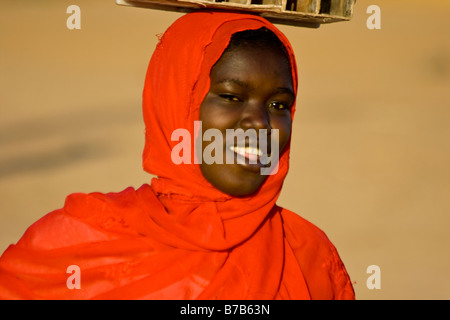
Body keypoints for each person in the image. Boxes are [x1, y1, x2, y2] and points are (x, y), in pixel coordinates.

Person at [0, 11, 355, 300]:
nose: (259, 124)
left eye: (279, 105)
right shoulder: (72, 252)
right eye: (231, 97)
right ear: (174, 104)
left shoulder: (308, 255)